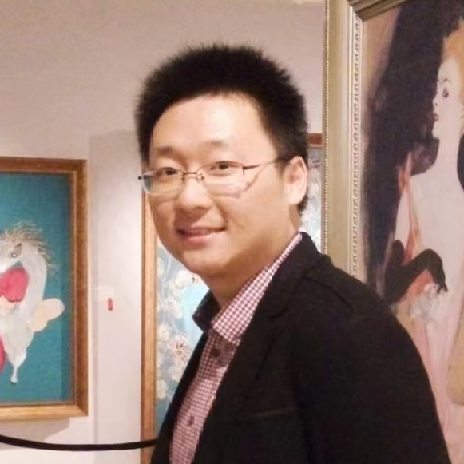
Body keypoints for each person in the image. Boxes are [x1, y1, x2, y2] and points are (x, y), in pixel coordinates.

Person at [135, 44, 450, 464]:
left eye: (222, 167)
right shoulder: (225, 327)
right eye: (168, 172)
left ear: (295, 179)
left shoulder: (349, 333)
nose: (190, 197)